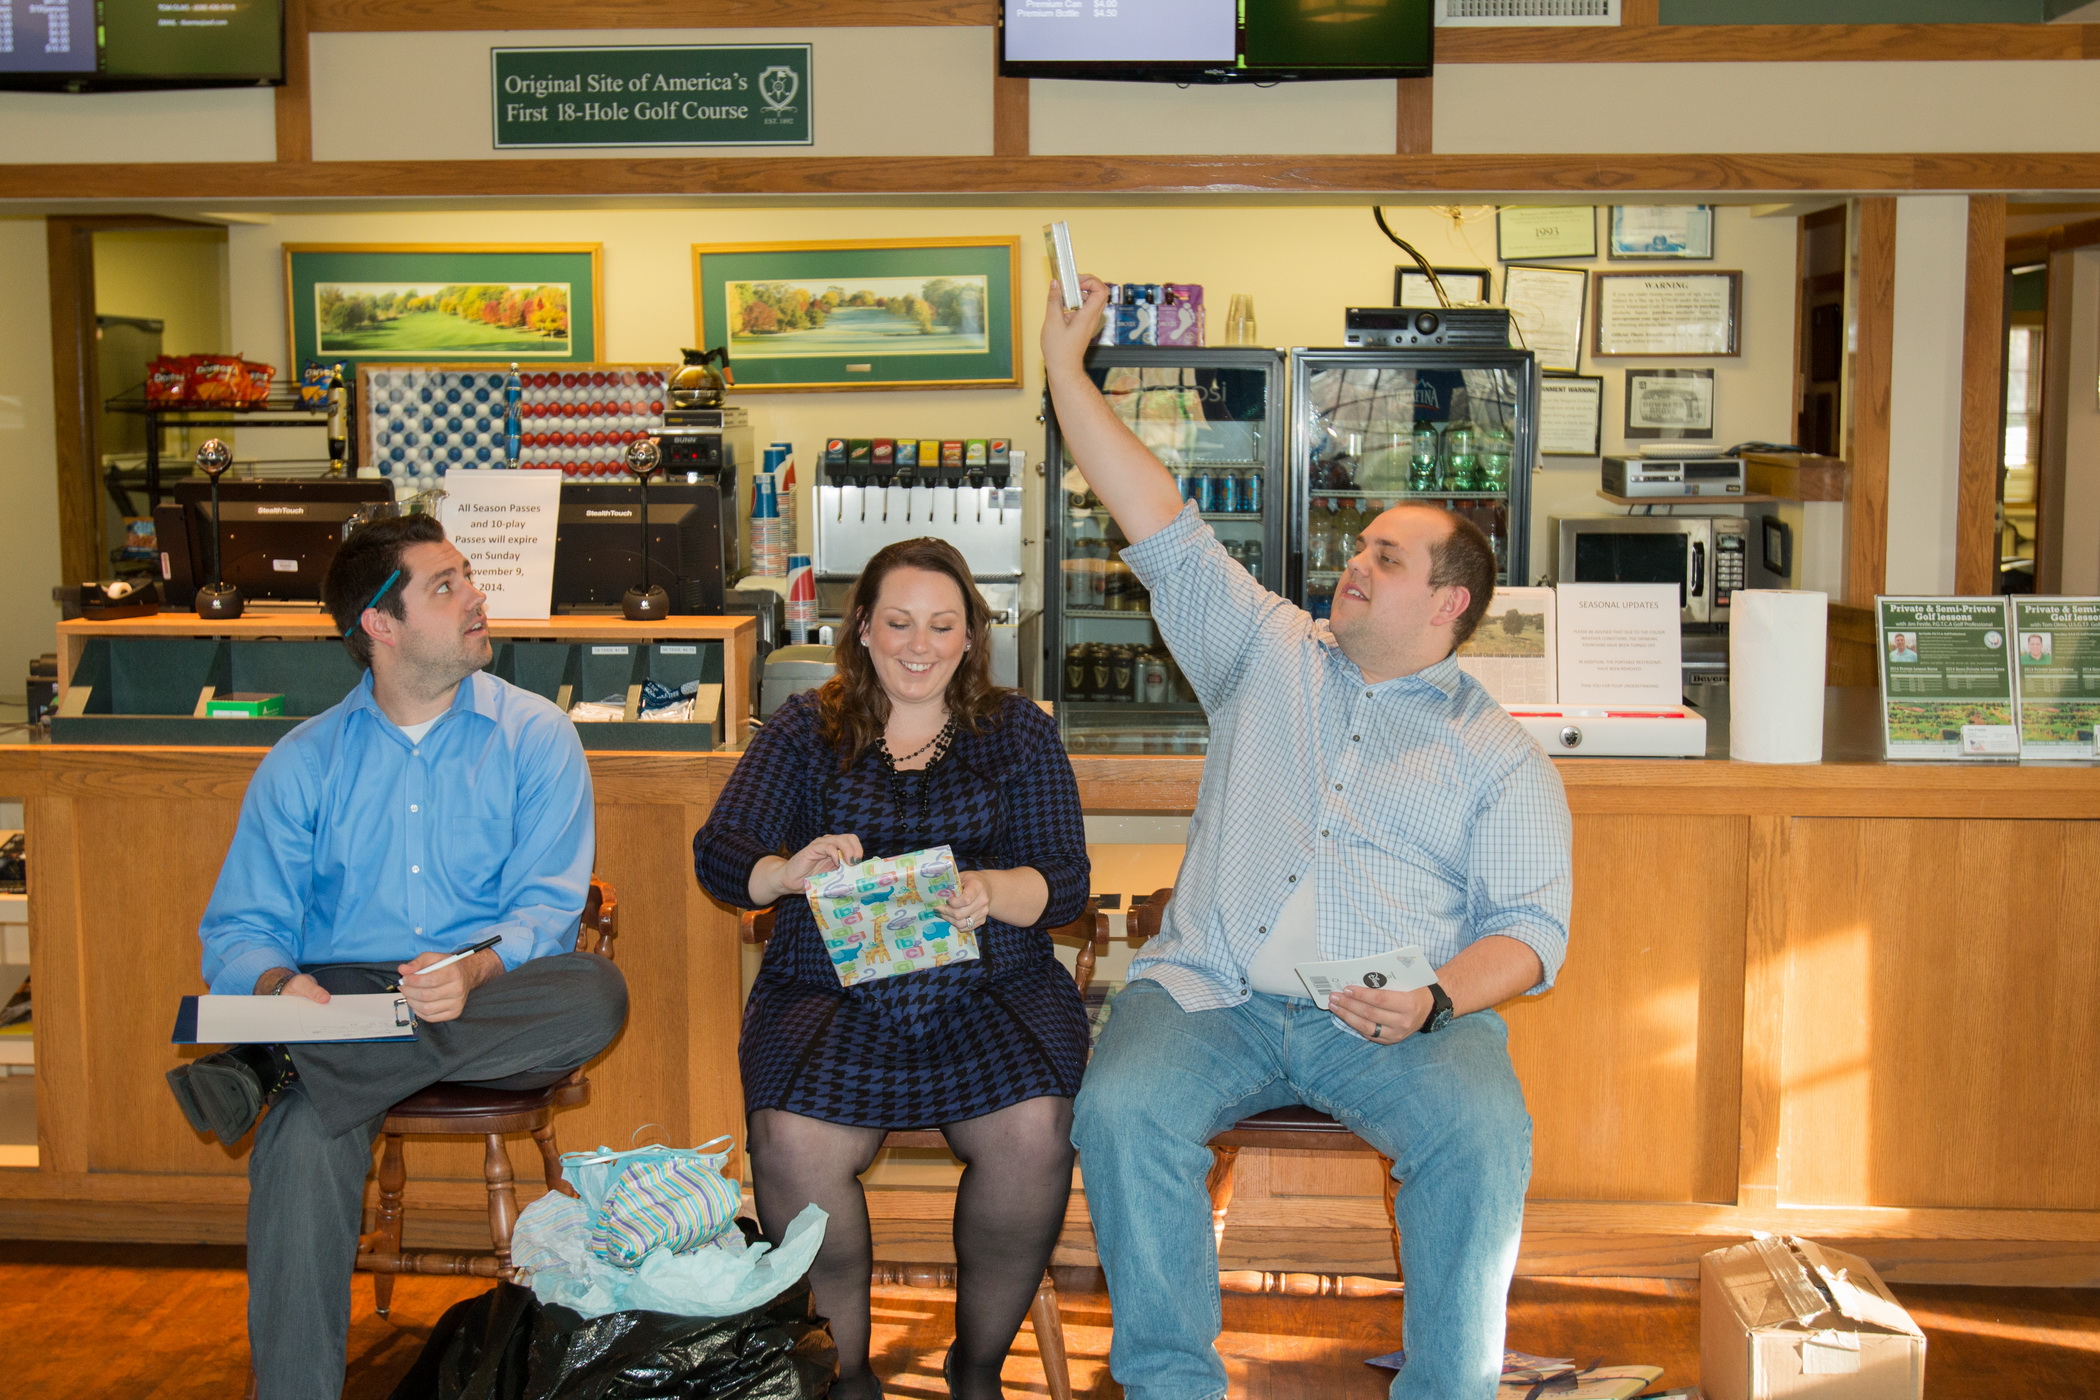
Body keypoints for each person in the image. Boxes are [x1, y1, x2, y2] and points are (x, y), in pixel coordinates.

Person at [1044, 276, 1573, 1400]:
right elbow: (1158, 517)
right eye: (1360, 544)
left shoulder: (1500, 754)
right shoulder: (1264, 649)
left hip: (1395, 1015)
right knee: (1122, 1110)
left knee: (1482, 1133)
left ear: (1448, 605)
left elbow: (1533, 931)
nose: (1354, 563)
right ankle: (1173, 1387)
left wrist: (1435, 999)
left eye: (1387, 557)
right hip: (1213, 992)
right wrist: (1064, 371)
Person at [165, 513, 628, 1400]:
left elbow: (546, 911)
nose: (477, 597)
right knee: (301, 1140)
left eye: (469, 576)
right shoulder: (303, 762)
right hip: (338, 995)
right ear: (380, 623)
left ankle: (279, 1063)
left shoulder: (535, 736)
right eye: (446, 586)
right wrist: (277, 983)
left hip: (492, 999)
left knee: (594, 993)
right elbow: (238, 929)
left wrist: (476, 969)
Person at [694, 537, 1091, 1400]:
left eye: (942, 625)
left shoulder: (1018, 732)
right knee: (791, 1141)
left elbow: (1066, 881)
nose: (920, 644)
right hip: (830, 991)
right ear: (864, 627)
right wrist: (784, 871)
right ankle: (846, 1376)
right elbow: (720, 853)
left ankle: (977, 1368)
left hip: (991, 987)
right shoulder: (805, 728)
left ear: (970, 636)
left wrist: (991, 888)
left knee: (1035, 1132)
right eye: (899, 622)